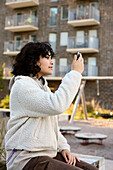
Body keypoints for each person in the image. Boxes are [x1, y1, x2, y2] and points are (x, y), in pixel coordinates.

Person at [5, 42, 98, 170]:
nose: (51, 62)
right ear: (34, 61)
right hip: (25, 158)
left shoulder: (42, 87)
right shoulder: (22, 86)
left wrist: (63, 147)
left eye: (51, 58)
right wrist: (75, 73)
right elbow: (57, 105)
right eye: (47, 58)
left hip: (45, 154)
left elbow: (50, 126)